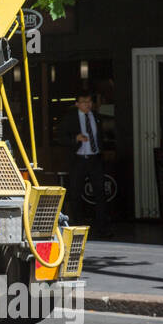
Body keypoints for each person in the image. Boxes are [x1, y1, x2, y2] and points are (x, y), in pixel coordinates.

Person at [60, 92, 110, 237]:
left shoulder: (96, 116)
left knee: (100, 192)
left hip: (95, 159)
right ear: (77, 104)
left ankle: (102, 228)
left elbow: (101, 136)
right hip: (79, 159)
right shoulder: (71, 118)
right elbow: (61, 137)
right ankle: (77, 226)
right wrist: (75, 138)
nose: (87, 105)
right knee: (75, 192)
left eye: (89, 101)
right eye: (83, 102)